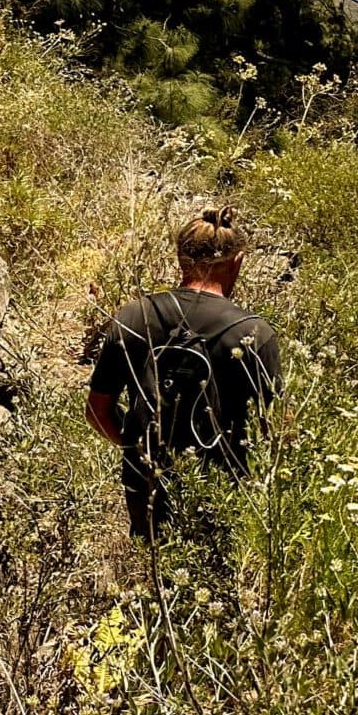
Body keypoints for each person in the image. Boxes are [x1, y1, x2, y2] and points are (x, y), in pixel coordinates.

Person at [87, 205, 283, 546]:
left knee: (154, 571)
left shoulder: (134, 316)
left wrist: (134, 447)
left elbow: (97, 410)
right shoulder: (255, 333)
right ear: (236, 263)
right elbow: (275, 429)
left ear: (181, 258)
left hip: (145, 483)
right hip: (222, 489)